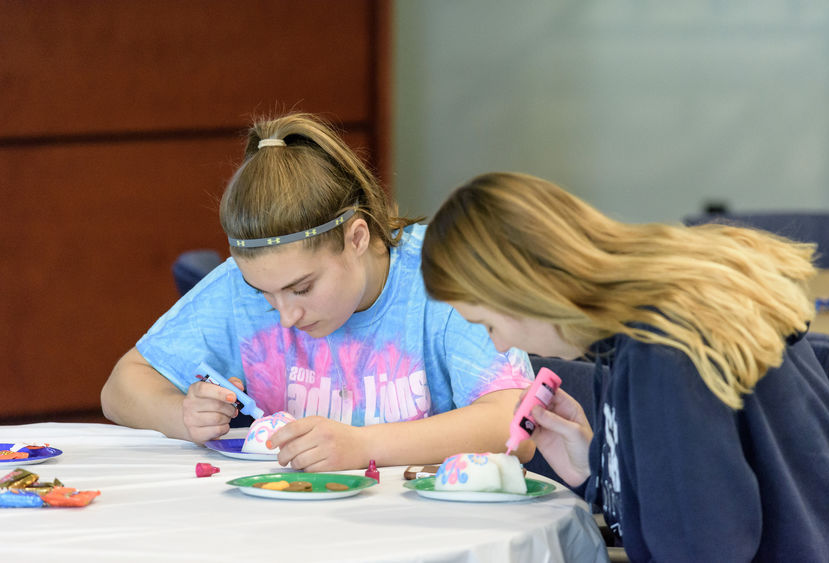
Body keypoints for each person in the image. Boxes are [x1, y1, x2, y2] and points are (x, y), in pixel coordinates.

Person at [420, 171, 829, 562]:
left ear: (524, 290)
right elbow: (700, 489)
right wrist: (598, 469)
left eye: (489, 324)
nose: (499, 344)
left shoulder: (663, 350)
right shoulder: (668, 305)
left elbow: (704, 547)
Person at [100, 113, 535, 472]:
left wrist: (363, 445)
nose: (286, 315)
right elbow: (121, 388)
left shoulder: (443, 275)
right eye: (264, 294)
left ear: (357, 238)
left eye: (302, 288)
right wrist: (182, 416)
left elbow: (519, 424)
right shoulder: (242, 285)